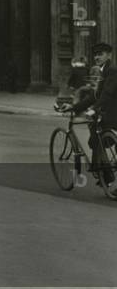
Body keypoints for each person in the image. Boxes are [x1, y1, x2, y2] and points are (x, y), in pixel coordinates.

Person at [59, 42, 117, 189]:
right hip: (110, 110)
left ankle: (107, 174)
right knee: (96, 139)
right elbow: (95, 95)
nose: (97, 57)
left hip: (113, 113)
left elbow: (107, 95)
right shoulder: (105, 70)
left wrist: (94, 110)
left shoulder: (112, 70)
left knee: (95, 140)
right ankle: (105, 174)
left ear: (109, 55)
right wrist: (74, 106)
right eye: (96, 54)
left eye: (101, 54)